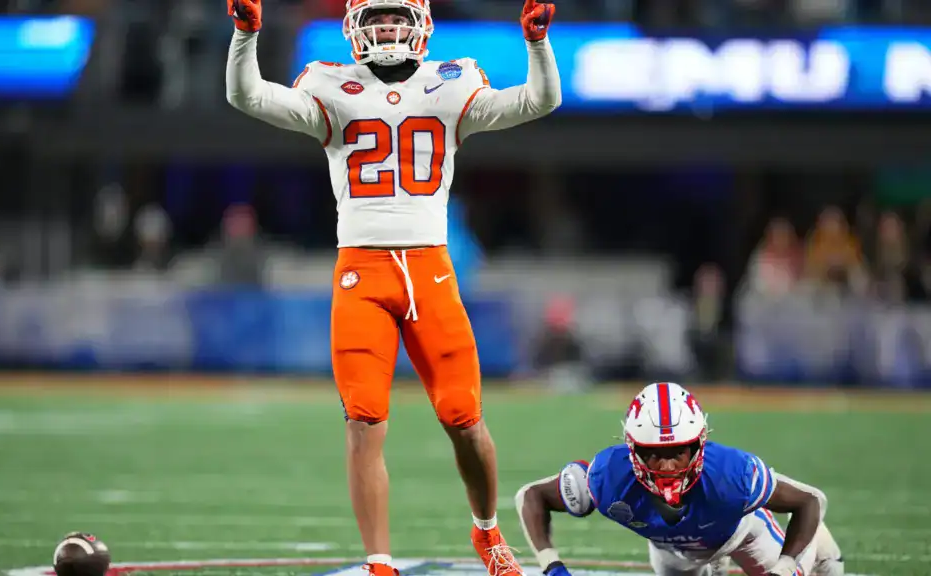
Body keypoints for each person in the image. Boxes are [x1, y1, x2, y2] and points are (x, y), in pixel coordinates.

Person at [224, 1, 562, 574]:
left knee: (465, 419)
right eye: (377, 19)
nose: (387, 29)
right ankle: (379, 562)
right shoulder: (330, 84)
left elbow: (538, 100)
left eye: (397, 19)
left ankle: (487, 531)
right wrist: (244, 34)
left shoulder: (451, 82)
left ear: (420, 26)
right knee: (364, 421)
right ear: (355, 28)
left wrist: (537, 44)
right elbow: (248, 96)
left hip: (431, 271)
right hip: (362, 272)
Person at [515, 382, 845, 576]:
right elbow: (531, 496)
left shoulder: (733, 474)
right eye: (654, 453)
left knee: (821, 569)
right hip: (672, 555)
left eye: (678, 452)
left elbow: (809, 500)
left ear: (699, 445)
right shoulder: (607, 477)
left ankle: (821, 545)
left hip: (740, 535)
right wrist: (551, 566)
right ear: (632, 449)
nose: (668, 466)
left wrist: (784, 568)